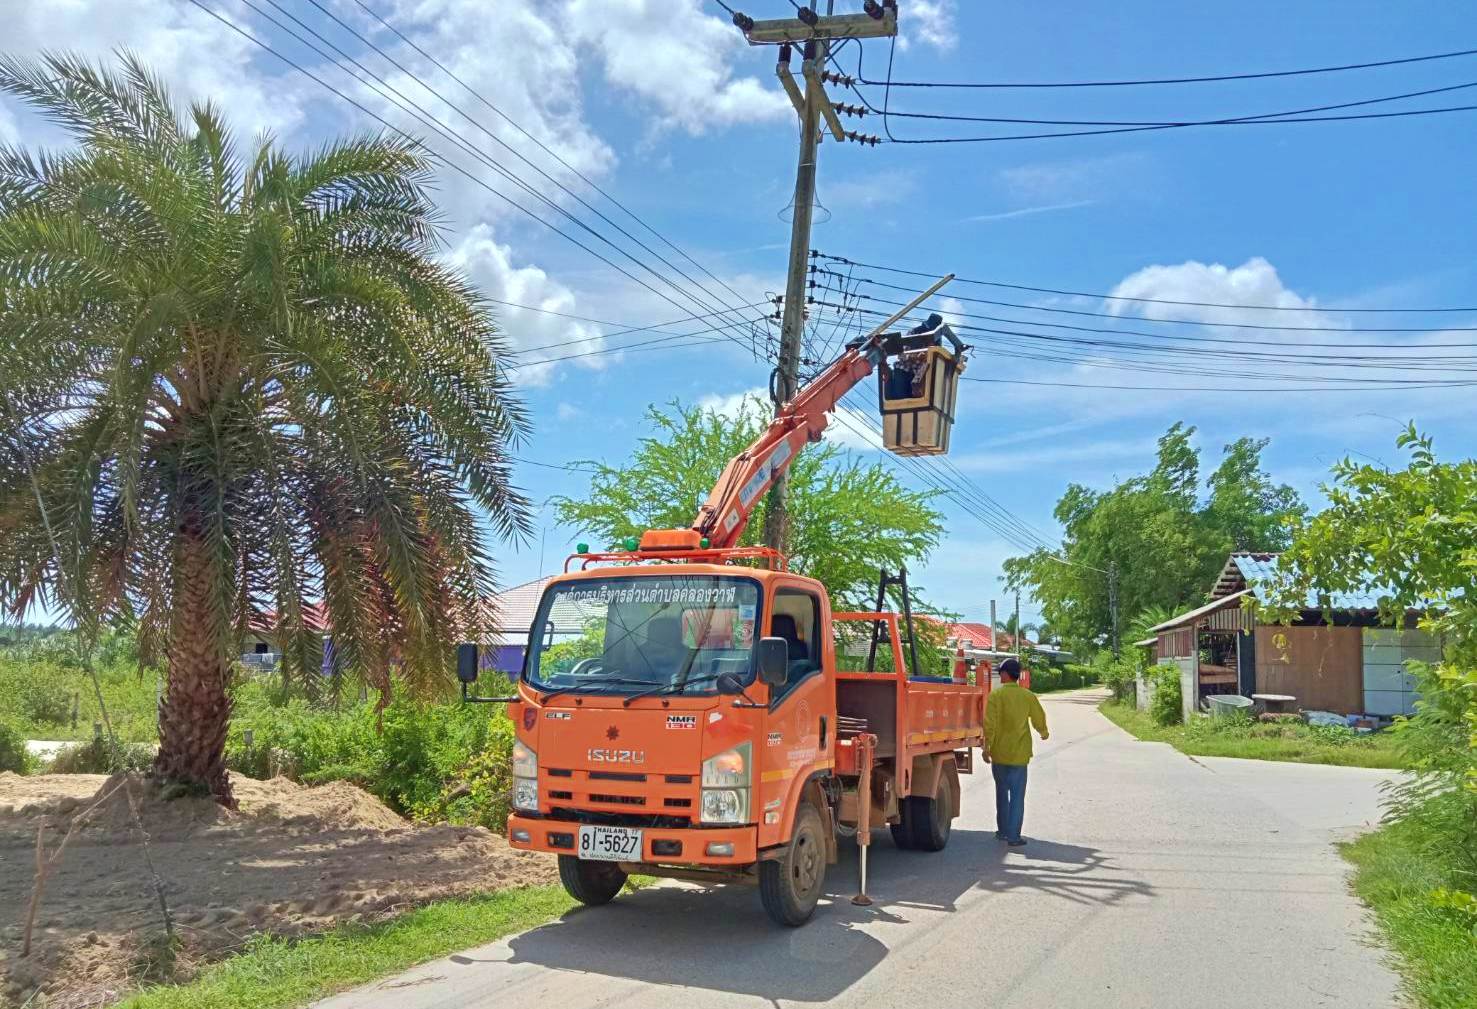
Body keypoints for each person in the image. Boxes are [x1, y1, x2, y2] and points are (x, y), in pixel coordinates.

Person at [984, 657, 1048, 846]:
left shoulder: (995, 696)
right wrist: (1043, 732)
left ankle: (1003, 832)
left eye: (1000, 672)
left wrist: (987, 748)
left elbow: (990, 725)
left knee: (1001, 794)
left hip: (999, 754)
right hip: (1019, 756)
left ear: (1005, 674)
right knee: (1017, 797)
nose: (999, 675)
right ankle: (1014, 836)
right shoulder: (1027, 696)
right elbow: (1038, 717)